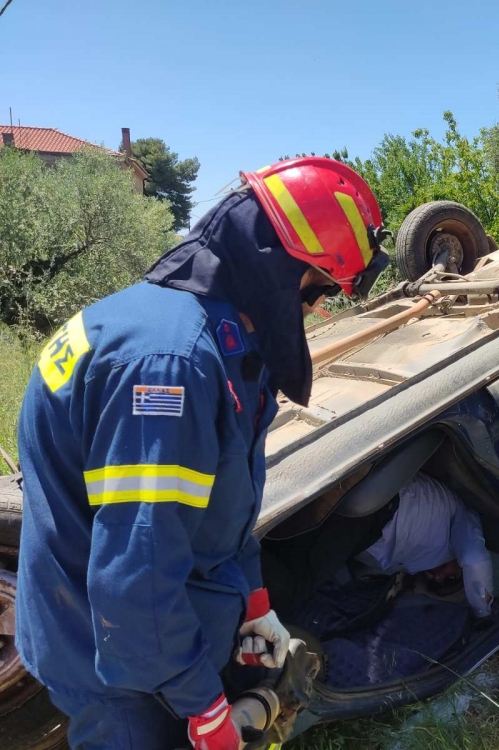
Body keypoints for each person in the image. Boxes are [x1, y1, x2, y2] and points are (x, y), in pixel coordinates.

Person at [15, 157, 390, 750]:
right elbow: (135, 577)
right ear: (278, 268)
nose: (317, 311)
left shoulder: (200, 334)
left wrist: (254, 602)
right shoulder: (170, 367)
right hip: (119, 665)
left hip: (146, 640)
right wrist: (204, 707)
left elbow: (221, 505)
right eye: (318, 290)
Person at [263, 471, 495, 619]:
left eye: (435, 584)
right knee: (290, 593)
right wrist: (483, 613)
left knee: (282, 551)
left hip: (365, 522)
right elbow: (477, 562)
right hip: (380, 508)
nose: (437, 577)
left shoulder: (413, 559)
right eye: (451, 579)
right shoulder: (464, 523)